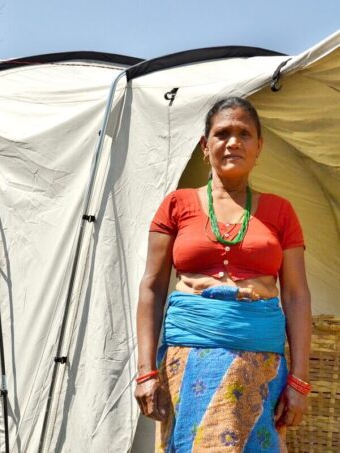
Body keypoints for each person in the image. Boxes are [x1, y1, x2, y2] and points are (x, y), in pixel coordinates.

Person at [134, 97, 312, 452]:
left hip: (259, 363)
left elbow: (296, 296)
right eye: (222, 133)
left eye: (244, 134)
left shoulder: (281, 211)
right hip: (187, 359)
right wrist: (144, 373)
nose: (233, 142)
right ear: (205, 146)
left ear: (258, 146)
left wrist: (299, 381)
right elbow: (152, 288)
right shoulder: (176, 205)